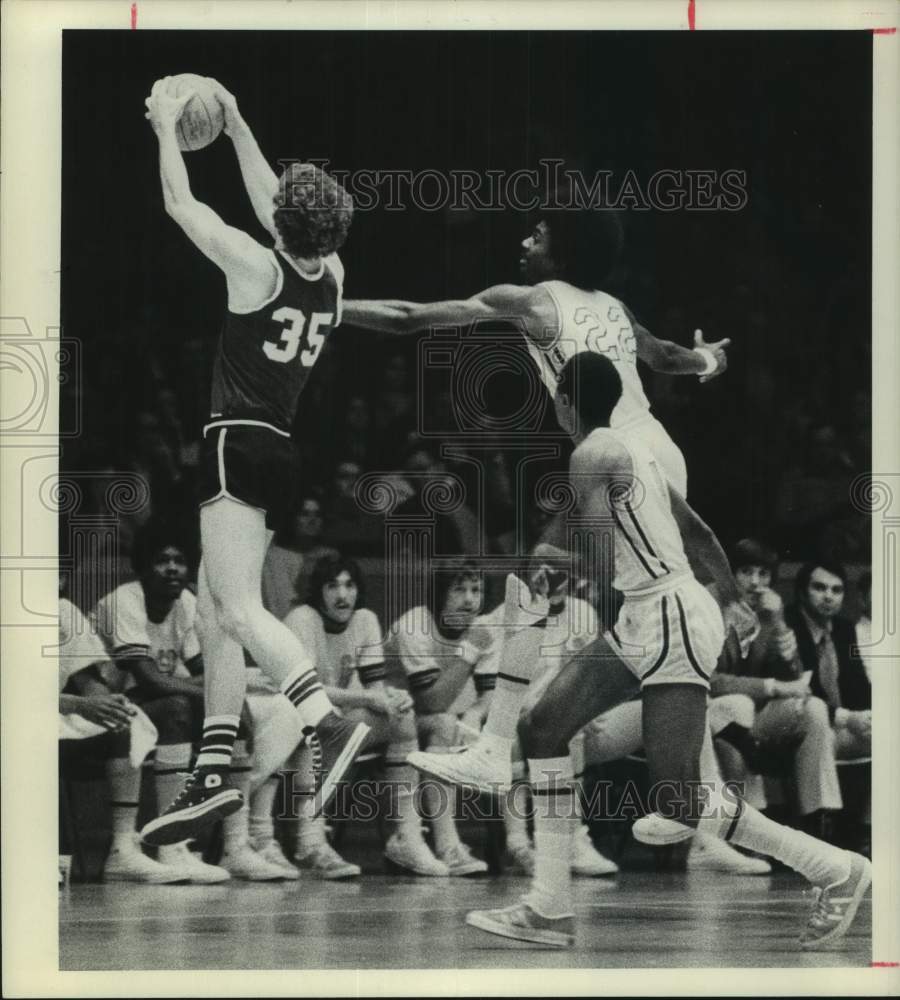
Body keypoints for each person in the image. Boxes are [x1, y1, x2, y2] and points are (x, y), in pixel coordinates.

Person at [466, 353, 870, 950]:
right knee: (543, 725)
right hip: (656, 610)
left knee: (679, 799)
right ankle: (548, 907)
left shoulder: (588, 455)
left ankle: (834, 869)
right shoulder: (639, 453)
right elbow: (701, 535)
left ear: (563, 402)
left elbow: (602, 562)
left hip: (666, 613)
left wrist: (553, 568)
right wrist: (731, 598)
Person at [343, 206, 732, 788]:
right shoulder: (616, 309)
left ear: (563, 252)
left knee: (562, 580)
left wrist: (324, 309)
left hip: (615, 457)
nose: (524, 242)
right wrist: (709, 360)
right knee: (605, 598)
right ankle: (532, 751)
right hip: (659, 452)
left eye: (539, 235)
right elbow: (668, 357)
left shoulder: (533, 301)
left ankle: (501, 749)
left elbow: (408, 318)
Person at [139, 78, 369, 846]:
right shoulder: (330, 278)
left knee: (237, 609)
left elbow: (181, 206)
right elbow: (282, 204)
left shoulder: (252, 266)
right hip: (280, 448)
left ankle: (324, 722)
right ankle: (211, 769)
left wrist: (169, 127)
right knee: (214, 606)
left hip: (235, 443)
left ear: (279, 223)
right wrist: (236, 123)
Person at [94, 523, 285, 881]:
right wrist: (213, 691)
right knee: (181, 708)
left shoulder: (186, 603)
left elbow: (209, 672)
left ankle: (236, 847)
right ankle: (171, 845)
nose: (172, 568)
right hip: (106, 713)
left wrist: (228, 699)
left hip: (151, 710)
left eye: (179, 561)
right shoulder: (123, 600)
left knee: (231, 716)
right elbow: (149, 680)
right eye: (161, 560)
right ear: (142, 566)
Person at [275, 554, 449, 877]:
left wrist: (390, 698)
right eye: (332, 586)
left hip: (338, 720)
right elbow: (306, 690)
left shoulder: (366, 619)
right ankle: (310, 842)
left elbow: (375, 688)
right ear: (318, 591)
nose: (343, 595)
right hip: (287, 721)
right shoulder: (303, 618)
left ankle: (406, 837)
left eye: (349, 585)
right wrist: (368, 697)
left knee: (401, 718)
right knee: (312, 726)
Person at [711, 540, 850, 839]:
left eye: (764, 574)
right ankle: (751, 828)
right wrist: (772, 687)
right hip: (708, 715)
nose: (756, 582)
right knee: (739, 704)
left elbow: (795, 677)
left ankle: (819, 822)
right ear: (729, 572)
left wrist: (777, 621)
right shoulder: (711, 605)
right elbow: (710, 681)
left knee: (812, 709)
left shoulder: (766, 610)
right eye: (746, 572)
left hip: (752, 720)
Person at [58, 587, 184, 884]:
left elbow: (88, 681)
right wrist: (77, 704)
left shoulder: (63, 610)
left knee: (122, 720)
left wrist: (106, 703)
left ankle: (122, 849)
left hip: (55, 715)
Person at [382, 563, 500, 875]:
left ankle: (448, 847)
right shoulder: (415, 625)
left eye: (476, 590)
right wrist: (471, 650)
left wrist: (475, 715)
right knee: (444, 722)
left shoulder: (482, 630)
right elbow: (432, 701)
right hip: (380, 721)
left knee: (450, 726)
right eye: (459, 589)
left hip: (426, 725)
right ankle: (424, 840)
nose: (469, 599)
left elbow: (490, 694)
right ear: (439, 595)